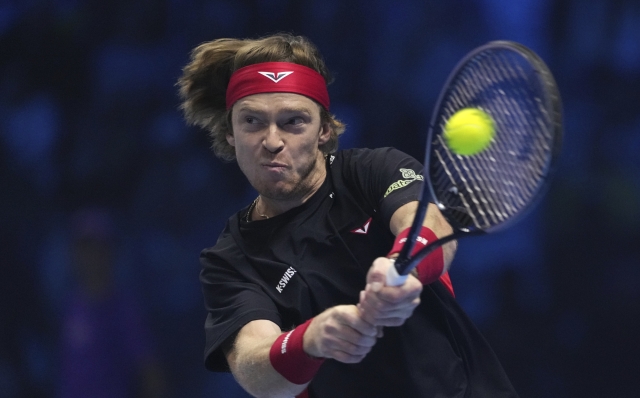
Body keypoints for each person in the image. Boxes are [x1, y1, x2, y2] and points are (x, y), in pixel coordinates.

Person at [178, 33, 518, 397]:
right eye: (252, 122)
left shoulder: (372, 170)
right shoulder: (230, 260)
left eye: (293, 121)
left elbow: (428, 223)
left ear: (323, 130)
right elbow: (256, 370)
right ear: (231, 132)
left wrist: (402, 266)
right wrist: (310, 339)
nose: (273, 141)